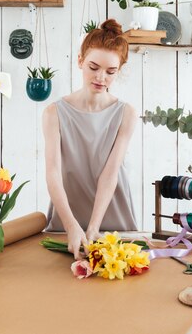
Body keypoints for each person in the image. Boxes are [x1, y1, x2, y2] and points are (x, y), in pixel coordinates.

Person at [43, 19, 138, 260]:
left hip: (114, 218)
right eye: (93, 67)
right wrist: (71, 225)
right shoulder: (54, 112)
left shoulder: (126, 113)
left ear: (119, 71)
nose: (101, 77)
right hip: (67, 220)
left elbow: (110, 173)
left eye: (110, 71)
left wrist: (94, 227)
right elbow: (53, 173)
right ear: (80, 61)